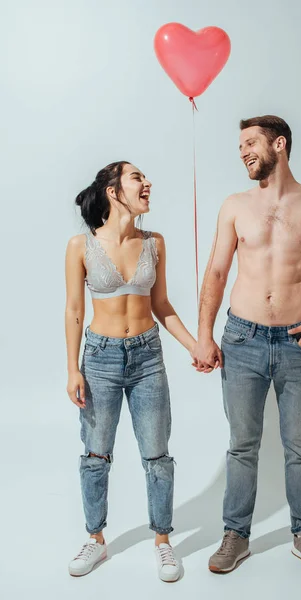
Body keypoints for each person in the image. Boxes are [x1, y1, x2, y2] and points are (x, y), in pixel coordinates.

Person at [193, 116, 301, 575]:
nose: (243, 152)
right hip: (242, 339)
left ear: (279, 145)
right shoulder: (234, 206)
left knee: (299, 445)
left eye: (250, 143)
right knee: (242, 444)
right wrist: (204, 335)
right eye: (240, 144)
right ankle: (235, 535)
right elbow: (217, 272)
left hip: (300, 341)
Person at [65, 161, 195, 581]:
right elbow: (73, 310)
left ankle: (162, 541)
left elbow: (163, 306)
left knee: (157, 454)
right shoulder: (80, 245)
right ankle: (95, 539)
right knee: (96, 453)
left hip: (146, 357)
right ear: (113, 190)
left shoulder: (154, 241)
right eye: (138, 177)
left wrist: (196, 347)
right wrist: (73, 368)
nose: (148, 183)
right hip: (99, 358)